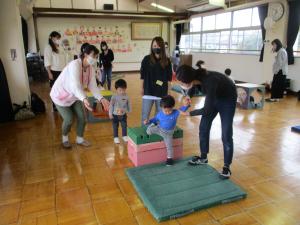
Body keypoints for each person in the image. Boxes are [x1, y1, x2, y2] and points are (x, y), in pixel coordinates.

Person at [176, 64, 237, 179]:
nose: (181, 85)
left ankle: (226, 167)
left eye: (182, 83)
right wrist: (189, 95)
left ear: (190, 80)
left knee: (226, 134)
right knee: (203, 128)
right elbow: (193, 87)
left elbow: (207, 110)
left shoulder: (210, 81)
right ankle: (203, 157)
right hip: (214, 97)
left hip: (227, 99)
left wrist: (189, 113)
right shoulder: (196, 78)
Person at [50, 44, 110, 149]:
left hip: (75, 96)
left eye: (96, 57)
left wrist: (101, 98)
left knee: (82, 118)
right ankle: (65, 139)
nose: (95, 59)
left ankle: (79, 139)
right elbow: (75, 85)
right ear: (85, 54)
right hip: (61, 96)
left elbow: (93, 86)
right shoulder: (75, 65)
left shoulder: (90, 68)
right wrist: (84, 98)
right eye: (93, 56)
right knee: (69, 119)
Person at [143, 95, 190, 166]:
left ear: (172, 107)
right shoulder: (160, 114)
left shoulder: (176, 112)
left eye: (169, 110)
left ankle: (169, 159)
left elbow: (183, 109)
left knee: (169, 146)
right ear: (161, 108)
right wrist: (148, 121)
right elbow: (155, 119)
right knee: (148, 131)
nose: (167, 112)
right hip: (159, 129)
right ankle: (152, 125)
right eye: (165, 111)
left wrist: (186, 104)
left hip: (168, 133)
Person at [140, 36, 172, 125]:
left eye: (158, 46)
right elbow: (142, 75)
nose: (156, 48)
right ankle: (144, 133)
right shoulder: (146, 59)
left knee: (159, 115)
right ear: (151, 47)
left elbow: (169, 78)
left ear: (162, 46)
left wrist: (169, 91)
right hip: (148, 90)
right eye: (154, 46)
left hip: (161, 92)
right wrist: (141, 88)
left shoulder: (167, 61)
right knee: (145, 115)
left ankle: (156, 133)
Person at [44, 31, 66, 111]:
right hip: (54, 71)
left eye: (59, 38)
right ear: (52, 38)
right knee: (55, 89)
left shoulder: (59, 47)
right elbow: (47, 61)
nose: (58, 39)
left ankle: (61, 104)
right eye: (57, 38)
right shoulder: (48, 47)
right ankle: (55, 106)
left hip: (62, 71)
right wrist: (49, 73)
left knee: (62, 88)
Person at [109, 79, 131, 144]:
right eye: (120, 90)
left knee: (124, 125)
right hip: (115, 115)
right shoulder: (113, 97)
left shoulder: (127, 97)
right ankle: (115, 137)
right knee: (115, 126)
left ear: (126, 88)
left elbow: (128, 105)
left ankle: (124, 136)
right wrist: (110, 114)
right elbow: (111, 106)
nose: (122, 92)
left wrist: (128, 111)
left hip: (123, 115)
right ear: (116, 89)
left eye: (123, 90)